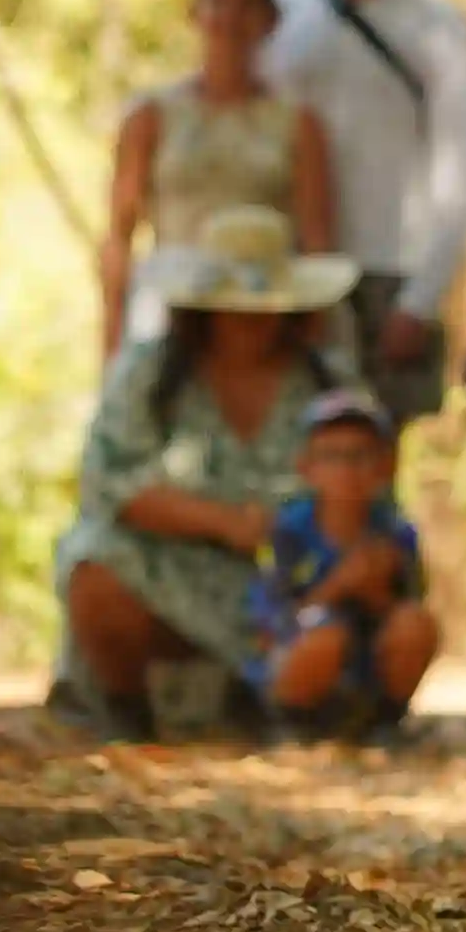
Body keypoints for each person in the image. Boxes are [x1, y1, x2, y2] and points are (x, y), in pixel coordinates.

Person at [53, 207, 359, 746]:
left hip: (296, 583)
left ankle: (304, 706)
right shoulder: (149, 374)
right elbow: (108, 482)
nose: (252, 323)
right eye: (235, 309)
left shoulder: (329, 383)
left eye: (265, 309)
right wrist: (224, 523)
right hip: (171, 569)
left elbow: (369, 487)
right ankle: (126, 713)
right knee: (92, 561)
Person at [258, 0, 466, 435]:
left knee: (374, 455)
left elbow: (460, 168)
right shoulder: (281, 11)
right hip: (294, 264)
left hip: (394, 267)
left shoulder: (437, 24)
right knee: (287, 446)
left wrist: (423, 297)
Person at [102, 0, 333, 364]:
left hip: (261, 311)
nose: (232, 17)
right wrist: (111, 339)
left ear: (270, 21)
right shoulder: (151, 116)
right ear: (196, 13)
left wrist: (313, 336)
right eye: (219, 1)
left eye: (248, 4)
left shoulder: (297, 123)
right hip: (170, 305)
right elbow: (119, 236)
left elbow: (316, 238)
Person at [244, 388, 437, 741]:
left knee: (415, 624)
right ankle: (293, 725)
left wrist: (376, 592)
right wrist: (337, 586)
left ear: (384, 467)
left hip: (365, 673)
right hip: (301, 665)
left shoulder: (395, 533)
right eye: (331, 456)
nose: (346, 469)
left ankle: (384, 723)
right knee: (324, 635)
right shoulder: (286, 534)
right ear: (307, 468)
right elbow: (270, 625)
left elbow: (408, 612)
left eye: (360, 455)